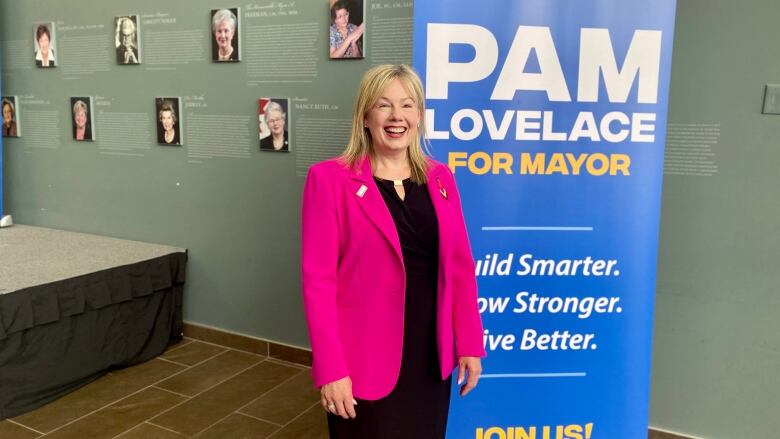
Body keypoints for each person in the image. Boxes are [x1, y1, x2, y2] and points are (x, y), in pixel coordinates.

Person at [301, 64, 485, 438]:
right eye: (384, 105)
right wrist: (331, 369)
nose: (396, 116)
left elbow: (460, 268)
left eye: (407, 105)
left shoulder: (441, 178)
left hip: (430, 358)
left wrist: (468, 342)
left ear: (419, 115)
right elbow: (318, 284)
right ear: (365, 116)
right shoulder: (329, 180)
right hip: (363, 360)